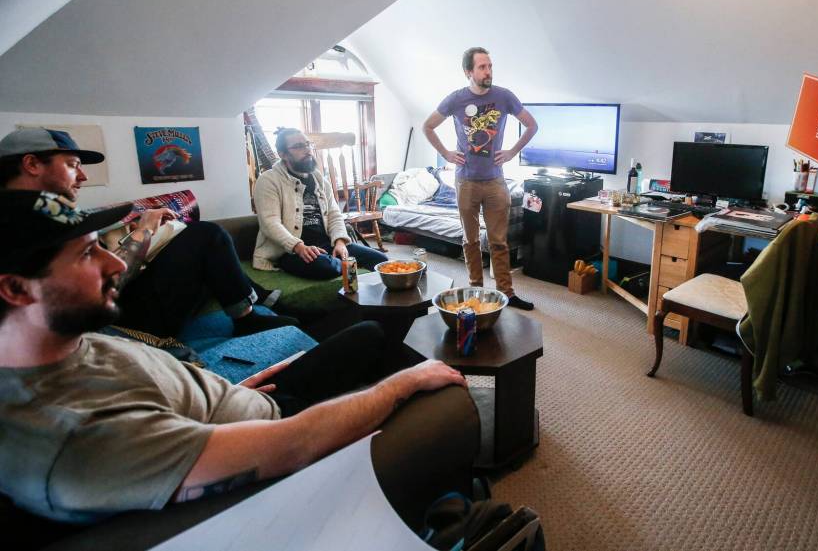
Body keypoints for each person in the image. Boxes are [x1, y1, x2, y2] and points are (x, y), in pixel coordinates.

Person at [0, 189, 474, 527]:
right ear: (16, 288)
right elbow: (290, 446)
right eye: (87, 255)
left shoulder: (69, 338)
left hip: (246, 399)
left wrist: (221, 396)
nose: (118, 264)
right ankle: (435, 480)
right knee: (410, 375)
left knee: (369, 332)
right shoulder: (75, 440)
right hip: (279, 428)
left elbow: (157, 396)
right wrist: (405, 384)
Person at [0, 127, 294, 338]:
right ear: (32, 163)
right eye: (72, 165)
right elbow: (107, 281)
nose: (83, 176)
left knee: (203, 245)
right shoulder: (20, 225)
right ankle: (250, 314)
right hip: (115, 320)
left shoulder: (40, 212)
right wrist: (143, 232)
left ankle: (259, 301)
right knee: (207, 236)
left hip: (116, 303)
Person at [423, 47, 539, 310]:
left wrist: (512, 152)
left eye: (490, 66)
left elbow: (532, 125)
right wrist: (446, 154)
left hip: (496, 181)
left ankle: (506, 294)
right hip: (465, 181)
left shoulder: (504, 96)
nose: (488, 71)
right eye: (482, 67)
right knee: (471, 241)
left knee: (499, 242)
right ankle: (476, 291)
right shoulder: (455, 99)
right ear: (469, 72)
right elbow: (427, 126)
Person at [252, 127, 388, 280]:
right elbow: (269, 223)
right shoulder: (268, 180)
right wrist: (298, 246)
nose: (307, 150)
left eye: (308, 144)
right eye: (298, 146)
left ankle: (343, 265)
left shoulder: (320, 180)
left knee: (381, 261)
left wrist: (340, 241)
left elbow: (334, 214)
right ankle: (343, 267)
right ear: (282, 154)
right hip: (290, 251)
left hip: (326, 244)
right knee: (328, 268)